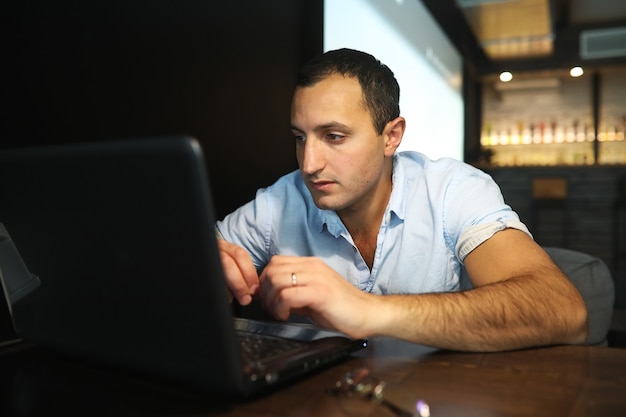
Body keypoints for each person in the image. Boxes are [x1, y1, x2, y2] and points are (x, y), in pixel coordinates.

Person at [216, 48, 588, 352]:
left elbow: (563, 310)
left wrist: (368, 311)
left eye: (333, 136)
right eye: (300, 137)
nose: (309, 164)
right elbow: (182, 266)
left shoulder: (451, 190)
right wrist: (204, 263)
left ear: (391, 136)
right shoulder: (280, 201)